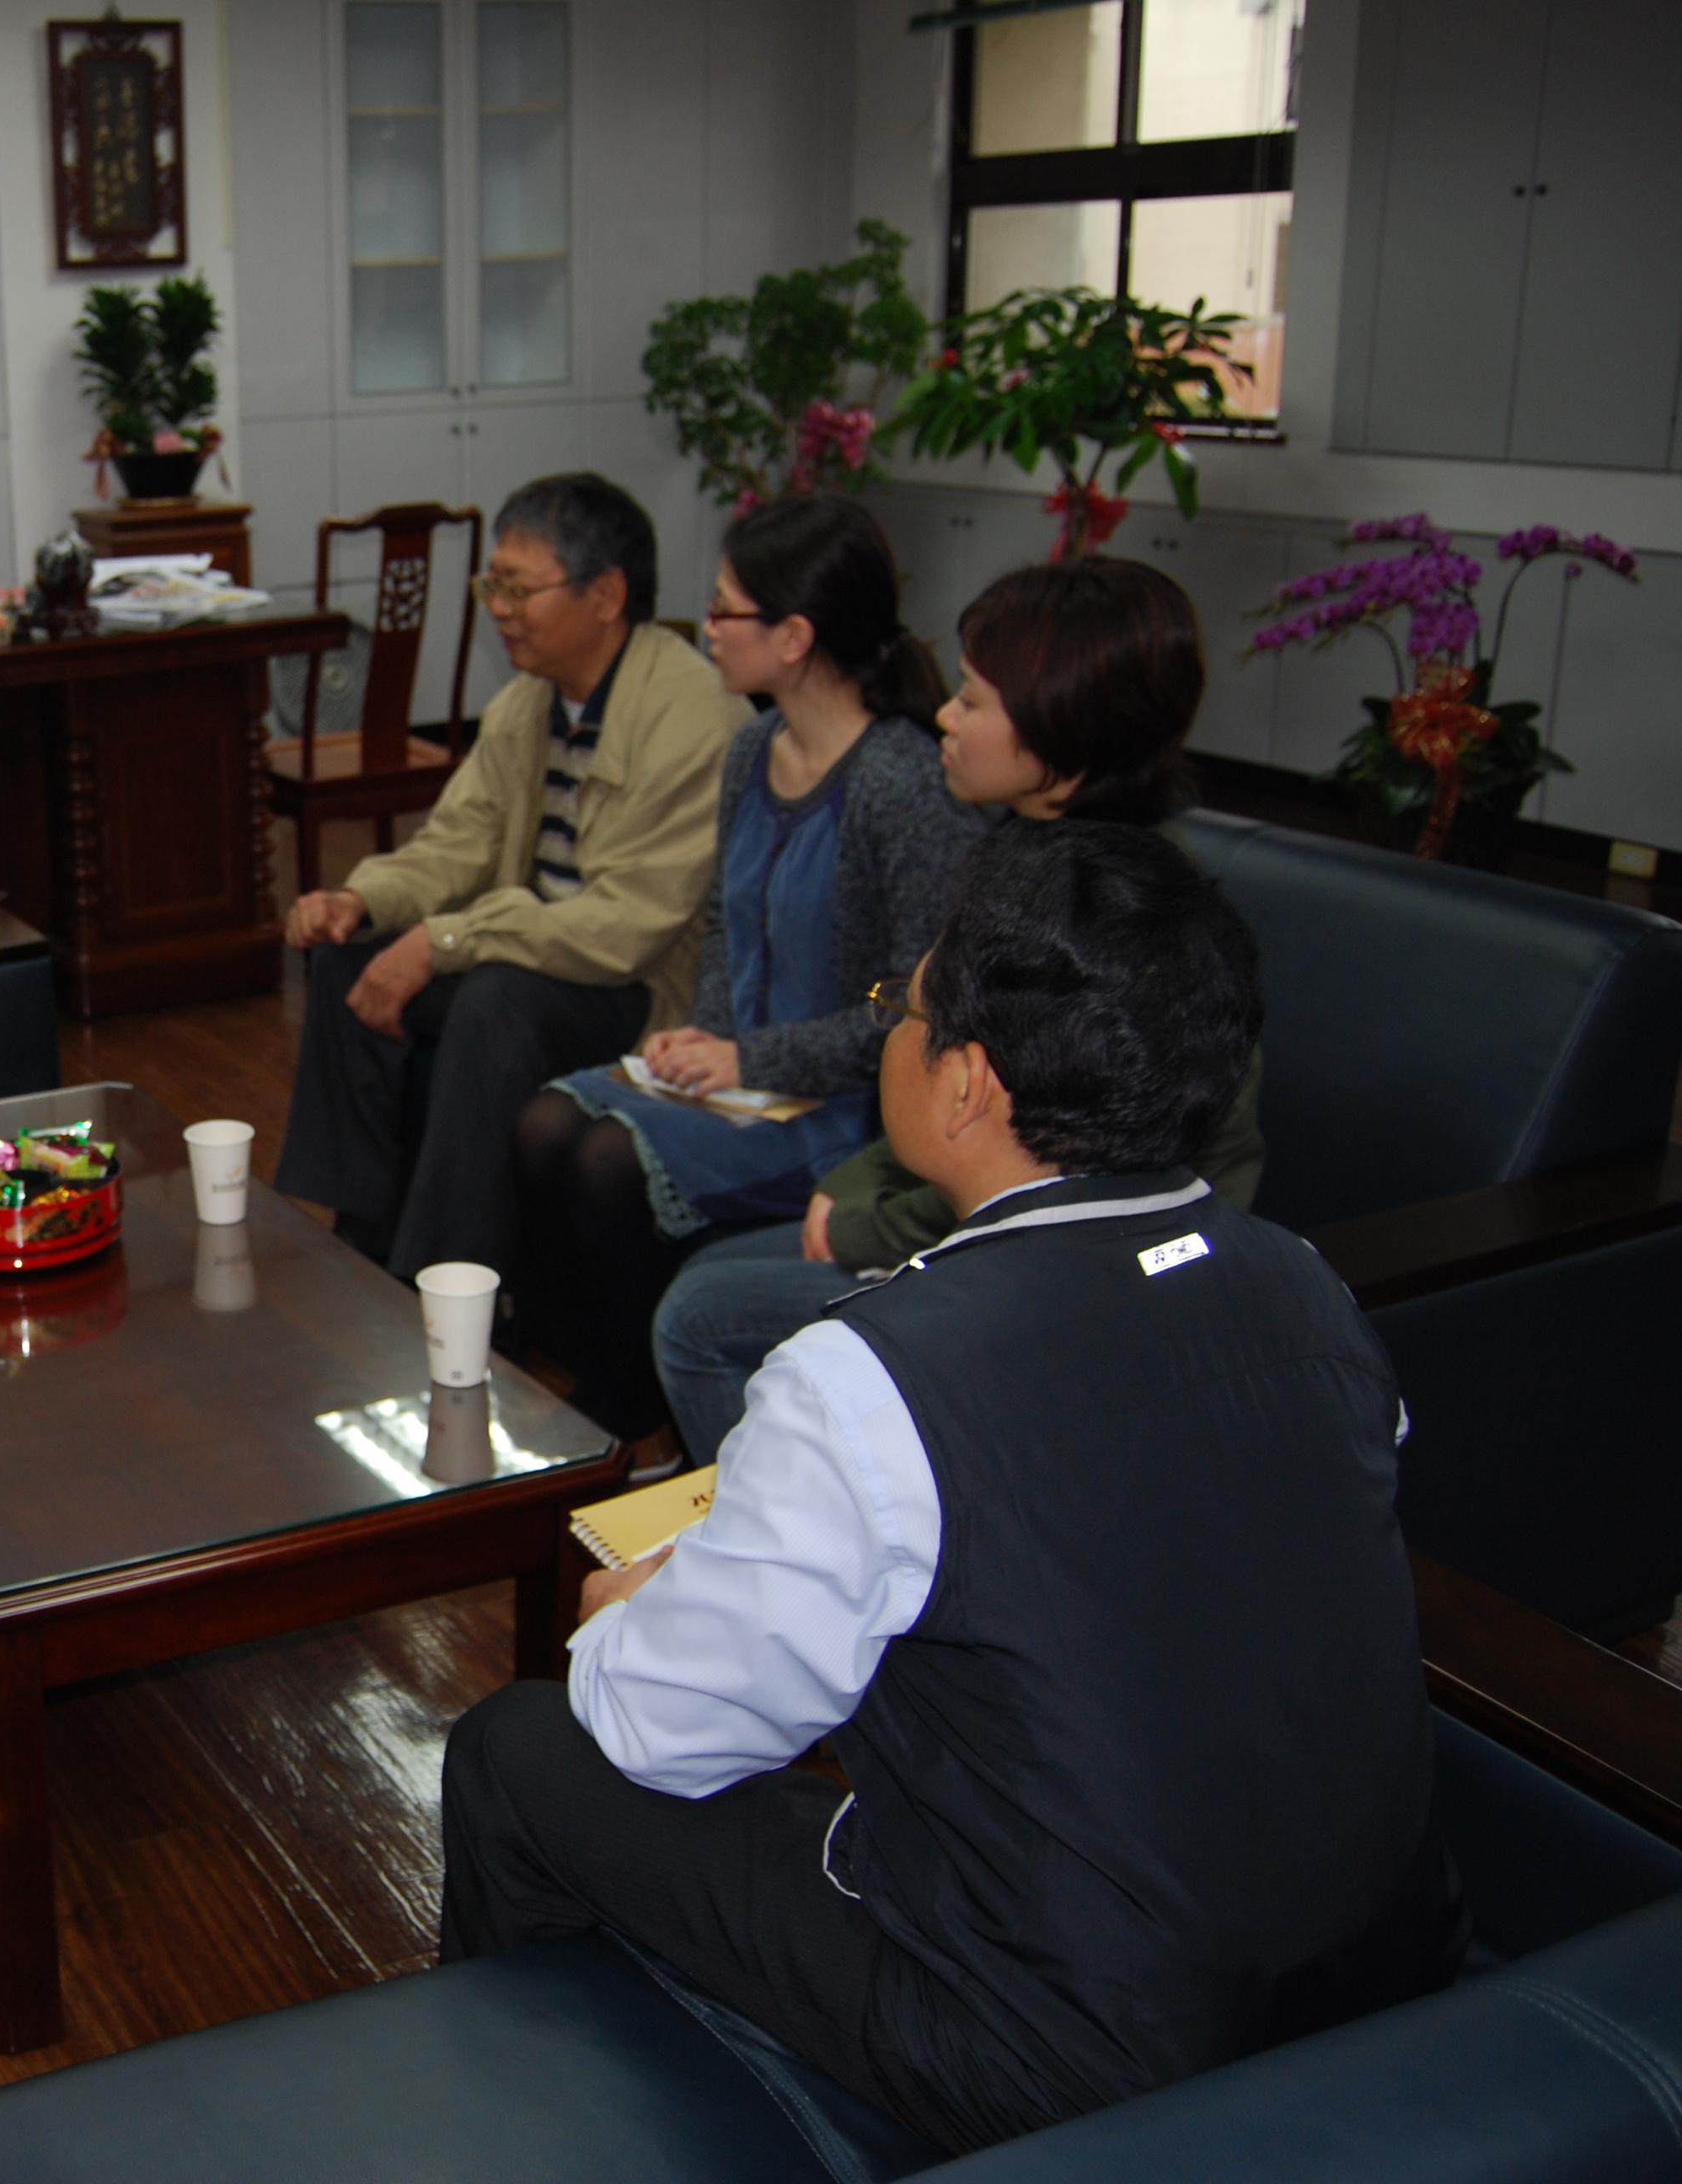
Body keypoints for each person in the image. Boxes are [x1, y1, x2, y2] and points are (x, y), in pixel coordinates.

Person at [438, 822, 1462, 2157]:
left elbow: (657, 1730)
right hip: (1378, 1973)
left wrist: (631, 1608)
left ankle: (525, 2133)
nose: (891, 1042)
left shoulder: (871, 1376)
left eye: (903, 1016)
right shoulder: (1304, 1285)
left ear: (970, 1084)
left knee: (526, 1748)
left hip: (1074, 2053)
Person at [646, 557, 1265, 1463]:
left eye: (971, 701)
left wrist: (858, 1222)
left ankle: (822, 1536)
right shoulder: (1034, 858)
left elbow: (1050, 1181)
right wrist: (848, 1192)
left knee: (700, 1317)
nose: (942, 714)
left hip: (1089, 1273)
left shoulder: (1102, 924)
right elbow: (941, 1081)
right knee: (710, 1280)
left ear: (1061, 728)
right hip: (996, 1221)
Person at [507, 495, 984, 1437]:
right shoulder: (751, 750)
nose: (707, 629)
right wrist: (705, 1038)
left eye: (725, 611)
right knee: (545, 1118)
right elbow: (727, 934)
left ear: (794, 635)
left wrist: (747, 1061)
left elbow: (906, 1013)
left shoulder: (900, 781)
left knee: (606, 1157)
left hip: (842, 1106)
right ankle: (590, 1373)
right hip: (748, 1082)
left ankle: (626, 1406)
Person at [270, 473, 747, 1277]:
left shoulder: (692, 713)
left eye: (518, 589)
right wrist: (362, 897)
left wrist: (448, 939)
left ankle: (448, 1280)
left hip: (630, 983)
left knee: (496, 1001)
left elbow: (626, 927)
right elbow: (458, 844)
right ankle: (361, 1240)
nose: (497, 607)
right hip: (535, 947)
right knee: (349, 958)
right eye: (493, 585)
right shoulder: (529, 704)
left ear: (605, 595)